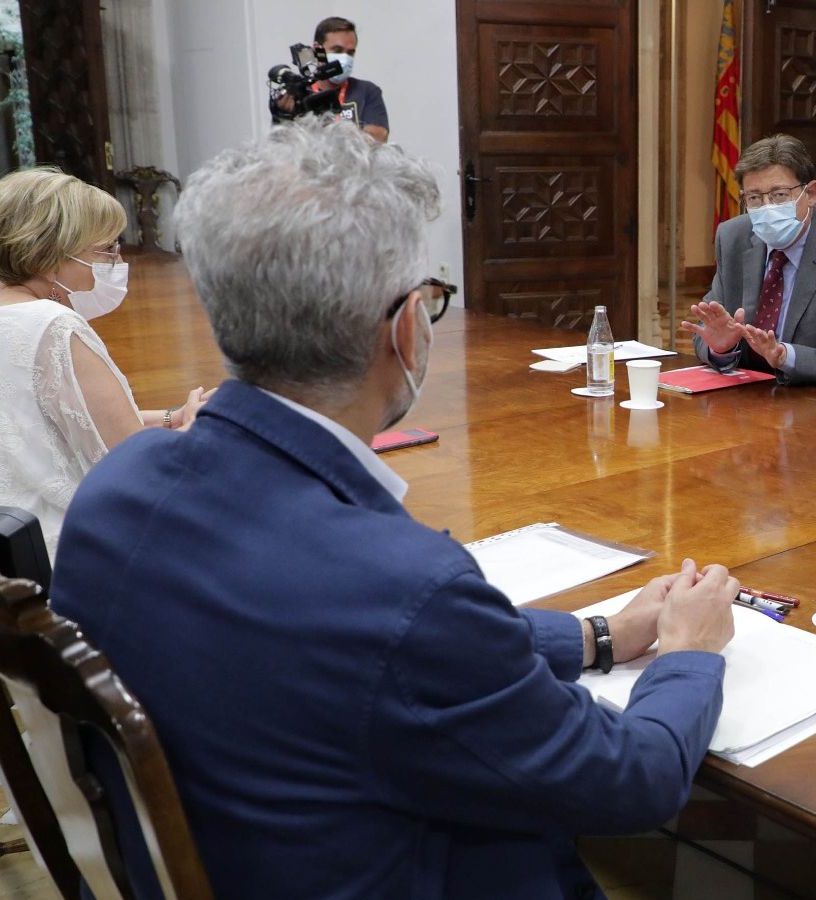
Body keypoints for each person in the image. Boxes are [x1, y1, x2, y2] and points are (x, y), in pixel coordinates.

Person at [49, 118, 739, 899]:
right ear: (408, 326)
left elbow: (383, 652)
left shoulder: (118, 485)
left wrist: (600, 634)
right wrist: (688, 653)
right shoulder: (404, 589)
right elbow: (633, 783)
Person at [0, 167, 208, 557]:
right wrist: (194, 426)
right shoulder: (53, 325)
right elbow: (132, 464)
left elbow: (51, 420)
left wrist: (169, 417)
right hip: (53, 540)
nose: (115, 261)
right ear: (52, 254)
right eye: (105, 250)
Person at [684, 134, 816, 393]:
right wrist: (720, 347)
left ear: (811, 193)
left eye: (779, 195)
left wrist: (784, 357)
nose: (767, 207)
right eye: (754, 198)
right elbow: (709, 327)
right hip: (751, 405)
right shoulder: (733, 237)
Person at [275, 16, 389, 142]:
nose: (345, 58)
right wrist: (283, 115)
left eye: (350, 53)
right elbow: (282, 144)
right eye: (337, 50)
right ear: (318, 50)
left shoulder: (367, 91)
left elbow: (378, 136)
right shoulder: (298, 94)